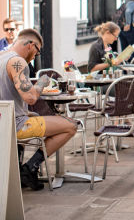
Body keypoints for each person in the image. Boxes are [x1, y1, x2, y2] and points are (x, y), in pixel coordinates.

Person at [0, 29, 77, 190]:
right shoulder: (18, 62)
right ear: (30, 45)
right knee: (70, 125)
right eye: (37, 51)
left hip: (4, 121)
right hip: (16, 125)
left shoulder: (2, 56)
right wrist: (42, 82)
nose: (35, 56)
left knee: (36, 117)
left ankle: (18, 172)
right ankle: (29, 169)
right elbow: (30, 97)